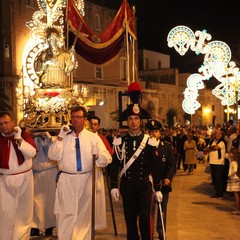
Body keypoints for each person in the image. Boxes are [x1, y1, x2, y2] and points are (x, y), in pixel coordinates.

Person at [110, 81, 163, 240]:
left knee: (145, 219)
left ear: (141, 121)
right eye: (131, 118)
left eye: (136, 118)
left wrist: (158, 187)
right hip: (127, 185)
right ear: (127, 121)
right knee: (130, 219)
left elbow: (156, 166)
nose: (133, 121)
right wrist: (114, 185)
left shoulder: (149, 141)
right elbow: (115, 165)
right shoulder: (120, 141)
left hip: (144, 185)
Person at [48, 106, 110, 239]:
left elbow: (106, 159)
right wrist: (59, 137)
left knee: (84, 215)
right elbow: (52, 156)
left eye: (79, 117)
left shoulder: (93, 137)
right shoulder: (63, 137)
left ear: (85, 119)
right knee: (65, 213)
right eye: (73, 117)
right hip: (67, 180)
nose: (76, 120)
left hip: (86, 179)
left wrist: (98, 154)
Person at [0, 111, 37, 240]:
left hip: (25, 178)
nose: (4, 126)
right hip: (5, 181)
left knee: (24, 214)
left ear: (13, 123)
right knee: (5, 214)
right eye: (1, 124)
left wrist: (18, 139)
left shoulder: (23, 136)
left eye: (6, 123)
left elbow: (31, 153)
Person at [146, 120, 176, 240]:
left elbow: (171, 164)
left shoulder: (167, 146)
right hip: (149, 184)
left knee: (162, 210)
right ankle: (149, 233)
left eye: (156, 131)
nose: (154, 134)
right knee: (150, 210)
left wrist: (168, 178)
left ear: (160, 133)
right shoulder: (145, 147)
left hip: (164, 183)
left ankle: (161, 232)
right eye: (151, 131)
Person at [30, 131, 58, 237]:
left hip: (50, 171)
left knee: (49, 201)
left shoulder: (55, 139)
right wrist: (33, 137)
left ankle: (49, 227)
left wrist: (49, 138)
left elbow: (54, 153)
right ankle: (35, 227)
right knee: (35, 201)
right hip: (35, 172)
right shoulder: (34, 138)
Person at [88, 115, 112, 230]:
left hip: (96, 173)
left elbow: (109, 154)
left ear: (98, 126)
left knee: (95, 204)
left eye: (95, 124)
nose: (92, 126)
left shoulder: (101, 138)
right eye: (91, 123)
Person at [205, 129, 226, 199]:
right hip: (212, 162)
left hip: (219, 163)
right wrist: (210, 148)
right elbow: (207, 149)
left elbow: (216, 148)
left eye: (219, 134)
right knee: (214, 179)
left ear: (222, 135)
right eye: (216, 134)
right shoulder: (212, 141)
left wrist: (210, 148)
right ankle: (216, 192)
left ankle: (220, 194)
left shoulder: (222, 142)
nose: (217, 135)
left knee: (218, 179)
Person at [226, 147, 240, 215]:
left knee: (236, 195)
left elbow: (235, 170)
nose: (229, 154)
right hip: (237, 178)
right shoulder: (235, 161)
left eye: (231, 153)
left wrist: (230, 175)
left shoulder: (234, 162)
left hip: (234, 179)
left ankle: (237, 209)